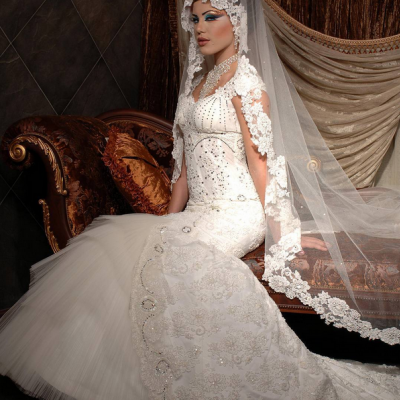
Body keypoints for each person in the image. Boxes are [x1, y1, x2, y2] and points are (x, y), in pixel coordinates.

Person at [1, 0, 400, 398]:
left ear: (236, 21)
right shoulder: (195, 87)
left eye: (212, 17)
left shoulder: (248, 86)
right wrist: (165, 220)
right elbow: (183, 171)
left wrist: (284, 234)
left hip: (238, 211)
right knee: (128, 251)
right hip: (197, 210)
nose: (201, 28)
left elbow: (261, 165)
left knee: (176, 262)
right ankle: (112, 373)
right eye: (194, 19)